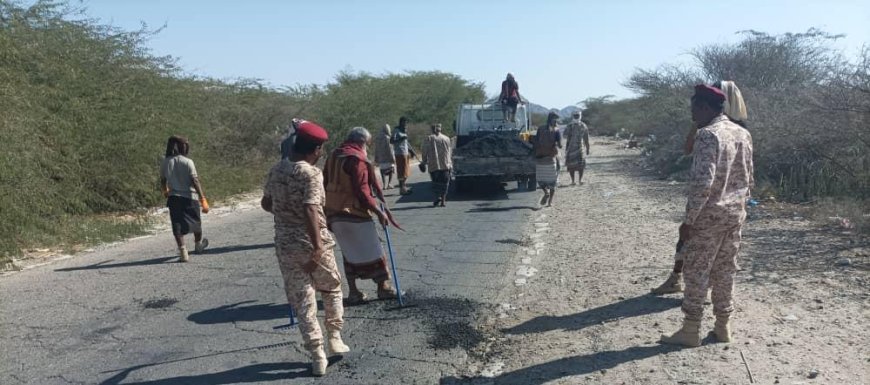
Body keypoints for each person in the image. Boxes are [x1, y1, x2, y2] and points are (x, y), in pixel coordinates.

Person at [660, 85, 754, 347]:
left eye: (694, 111)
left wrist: (688, 221)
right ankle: (723, 327)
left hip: (708, 218)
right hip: (735, 215)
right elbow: (750, 178)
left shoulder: (708, 135)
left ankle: (690, 330)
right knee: (726, 271)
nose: (693, 118)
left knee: (696, 272)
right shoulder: (743, 134)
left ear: (704, 107)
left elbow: (702, 183)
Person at [261, 119, 349, 376]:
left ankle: (316, 353)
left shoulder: (276, 170)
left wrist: (284, 210)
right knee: (331, 287)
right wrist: (318, 248)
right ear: (315, 150)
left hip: (286, 246)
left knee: (303, 300)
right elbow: (311, 209)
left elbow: (266, 204)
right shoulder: (311, 173)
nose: (321, 153)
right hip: (311, 243)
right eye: (321, 149)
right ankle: (334, 335)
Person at [324, 127, 401, 305]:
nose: (368, 147)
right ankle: (384, 288)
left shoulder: (334, 155)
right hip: (354, 212)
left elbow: (324, 180)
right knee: (375, 249)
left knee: (349, 252)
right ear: (362, 142)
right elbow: (362, 192)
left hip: (334, 213)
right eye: (368, 143)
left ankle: (354, 292)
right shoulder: (357, 159)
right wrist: (379, 212)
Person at [160, 136, 209, 262]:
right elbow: (195, 180)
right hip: (190, 197)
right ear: (183, 147)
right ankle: (198, 245)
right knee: (196, 223)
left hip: (174, 198)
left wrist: (165, 191)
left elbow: (163, 180)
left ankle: (183, 252)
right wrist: (202, 198)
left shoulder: (165, 162)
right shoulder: (188, 162)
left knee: (177, 225)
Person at [532, 112, 562, 207]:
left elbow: (536, 141)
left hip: (540, 158)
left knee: (541, 179)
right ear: (554, 120)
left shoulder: (540, 128)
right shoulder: (556, 130)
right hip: (551, 158)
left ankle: (545, 192)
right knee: (554, 180)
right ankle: (550, 202)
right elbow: (560, 145)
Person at [420, 123, 453, 207]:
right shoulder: (447, 138)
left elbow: (424, 151)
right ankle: (443, 201)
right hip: (445, 164)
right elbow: (450, 152)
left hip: (434, 165)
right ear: (440, 129)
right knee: (445, 183)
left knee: (435, 182)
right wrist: (450, 163)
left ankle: (437, 197)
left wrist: (424, 161)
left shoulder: (429, 138)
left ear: (432, 129)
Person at [562, 110, 590, 185]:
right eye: (575, 115)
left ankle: (580, 180)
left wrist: (587, 148)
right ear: (573, 116)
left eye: (578, 115)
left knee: (581, 165)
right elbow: (564, 135)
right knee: (571, 166)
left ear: (580, 116)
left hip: (580, 148)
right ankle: (573, 181)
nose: (577, 117)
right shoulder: (569, 125)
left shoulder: (583, 125)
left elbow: (586, 138)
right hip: (571, 148)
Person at [391, 117, 416, 195]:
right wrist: (400, 139)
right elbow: (391, 141)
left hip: (405, 153)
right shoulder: (396, 130)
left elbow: (406, 142)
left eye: (406, 122)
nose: (405, 124)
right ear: (400, 122)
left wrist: (411, 151)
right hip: (399, 153)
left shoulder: (404, 130)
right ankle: (402, 189)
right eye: (404, 122)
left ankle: (403, 187)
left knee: (406, 172)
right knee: (401, 172)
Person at [374, 124, 396, 189]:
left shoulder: (377, 138)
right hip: (388, 157)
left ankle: (384, 185)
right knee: (391, 170)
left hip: (381, 158)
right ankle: (389, 184)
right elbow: (390, 149)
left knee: (382, 171)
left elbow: (376, 149)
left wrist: (376, 158)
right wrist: (393, 158)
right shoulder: (388, 138)